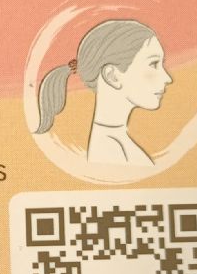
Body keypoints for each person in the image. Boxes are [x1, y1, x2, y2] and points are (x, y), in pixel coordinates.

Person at [35, 18, 173, 165]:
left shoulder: (116, 143)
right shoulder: (111, 150)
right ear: (112, 76)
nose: (168, 78)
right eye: (153, 64)